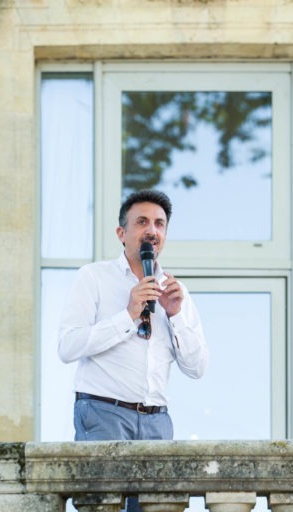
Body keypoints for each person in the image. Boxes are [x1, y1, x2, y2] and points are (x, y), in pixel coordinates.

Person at [58, 189, 209, 509]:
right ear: (121, 233)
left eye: (159, 224)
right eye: (142, 222)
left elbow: (197, 368)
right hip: (103, 415)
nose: (152, 230)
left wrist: (175, 314)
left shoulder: (175, 291)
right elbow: (67, 346)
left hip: (157, 423)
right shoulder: (94, 277)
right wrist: (127, 315)